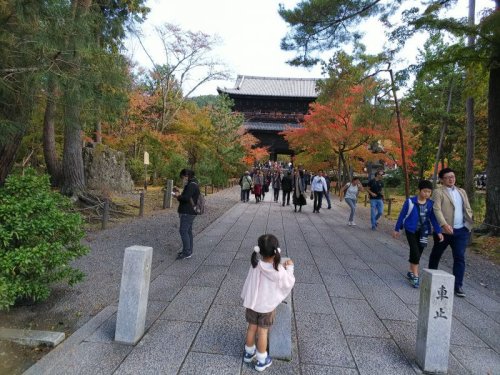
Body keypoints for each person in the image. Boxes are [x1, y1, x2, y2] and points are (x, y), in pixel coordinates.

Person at [241, 234, 295, 372]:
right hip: (266, 308)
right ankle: (261, 360)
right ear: (276, 251)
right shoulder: (279, 270)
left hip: (252, 304)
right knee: (263, 332)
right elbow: (288, 282)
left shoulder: (255, 265)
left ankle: (248, 353)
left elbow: (249, 282)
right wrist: (289, 268)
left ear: (259, 250)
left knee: (251, 328)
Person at [428, 168, 473, 297]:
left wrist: (468, 223)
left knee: (459, 257)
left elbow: (467, 207)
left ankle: (458, 285)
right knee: (436, 254)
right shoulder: (438, 192)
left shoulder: (461, 191)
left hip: (461, 231)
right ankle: (431, 277)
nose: (451, 179)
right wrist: (443, 224)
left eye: (452, 176)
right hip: (444, 230)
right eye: (447, 177)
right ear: (442, 179)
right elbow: (436, 209)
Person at [392, 180, 444, 288]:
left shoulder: (430, 204)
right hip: (411, 230)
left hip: (424, 232)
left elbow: (433, 219)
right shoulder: (410, 202)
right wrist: (397, 229)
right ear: (419, 191)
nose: (427, 194)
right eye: (425, 191)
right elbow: (402, 215)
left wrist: (438, 231)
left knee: (418, 252)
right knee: (415, 251)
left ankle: (411, 271)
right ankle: (415, 275)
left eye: (429, 192)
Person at [172, 169, 200, 260]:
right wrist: (180, 194)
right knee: (188, 231)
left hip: (187, 212)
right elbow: (188, 196)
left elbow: (186, 198)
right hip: (190, 211)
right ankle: (188, 250)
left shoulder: (191, 185)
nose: (182, 179)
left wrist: (177, 196)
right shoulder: (194, 183)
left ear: (187, 176)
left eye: (183, 177)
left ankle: (186, 252)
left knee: (183, 231)